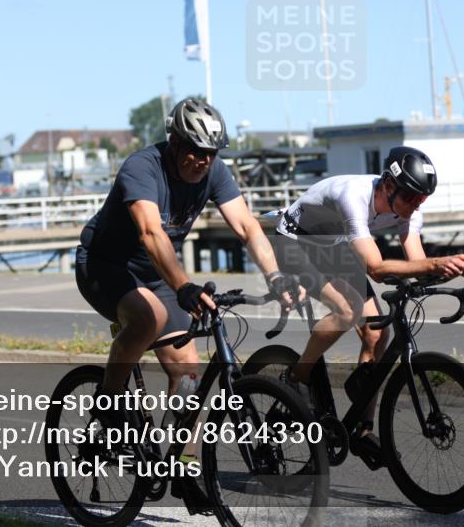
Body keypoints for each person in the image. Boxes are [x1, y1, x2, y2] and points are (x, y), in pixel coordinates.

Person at [75, 98, 301, 510]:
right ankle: (107, 409)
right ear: (175, 142)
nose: (203, 161)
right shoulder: (142, 168)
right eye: (195, 150)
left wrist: (276, 276)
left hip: (159, 276)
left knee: (190, 378)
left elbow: (247, 226)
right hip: (105, 266)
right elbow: (150, 233)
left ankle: (184, 465)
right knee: (148, 318)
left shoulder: (213, 170)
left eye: (211, 153)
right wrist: (183, 285)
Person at [270, 146, 464, 469]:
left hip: (335, 246)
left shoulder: (410, 205)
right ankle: (296, 377)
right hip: (294, 241)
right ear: (389, 186)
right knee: (346, 310)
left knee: (378, 333)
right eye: (411, 198)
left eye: (422, 200)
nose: (416, 205)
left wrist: (446, 270)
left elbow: (417, 260)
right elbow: (377, 269)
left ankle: (362, 430)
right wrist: (437, 263)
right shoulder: (352, 196)